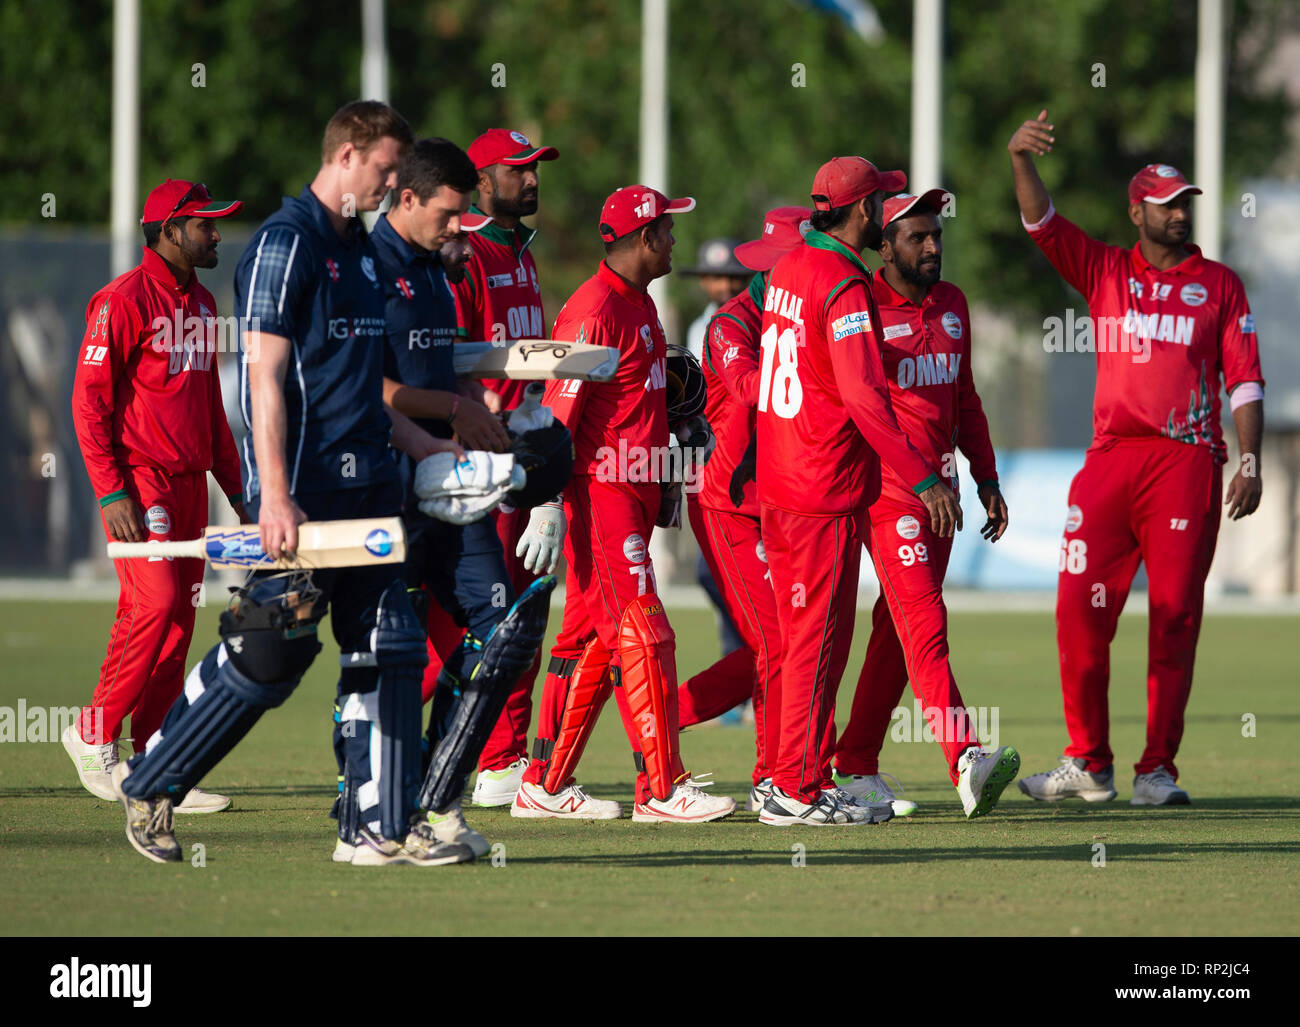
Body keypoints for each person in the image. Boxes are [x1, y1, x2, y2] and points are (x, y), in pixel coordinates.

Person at [108, 101, 470, 866]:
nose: (390, 183)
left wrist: (434, 451)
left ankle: (376, 828)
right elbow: (261, 379)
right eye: (383, 168)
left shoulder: (368, 255)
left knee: (393, 645)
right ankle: (151, 782)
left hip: (372, 489)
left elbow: (368, 388)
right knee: (272, 650)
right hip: (303, 496)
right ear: (346, 156)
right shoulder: (284, 242)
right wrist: (272, 492)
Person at [1008, 111, 1264, 806]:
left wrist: (1250, 458)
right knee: (1078, 609)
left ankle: (1157, 770)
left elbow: (1244, 378)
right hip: (1111, 460)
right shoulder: (1104, 270)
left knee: (1176, 613)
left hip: (1185, 462)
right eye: (1166, 206)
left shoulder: (1220, 285)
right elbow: (1042, 223)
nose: (1180, 215)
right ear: (1137, 212)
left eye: (1185, 205)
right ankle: (1088, 761)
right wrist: (1021, 159)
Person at [755, 157, 978, 827]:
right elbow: (863, 397)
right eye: (882, 198)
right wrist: (920, 475)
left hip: (782, 481)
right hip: (821, 486)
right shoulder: (844, 281)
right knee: (820, 644)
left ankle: (789, 777)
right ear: (862, 211)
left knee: (802, 641)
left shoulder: (790, 268)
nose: (889, 208)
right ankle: (797, 788)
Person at [512, 185, 735, 823]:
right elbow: (559, 415)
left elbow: (639, 406)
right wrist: (547, 502)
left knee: (590, 642)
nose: (673, 241)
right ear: (642, 238)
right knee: (645, 630)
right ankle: (661, 789)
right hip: (600, 495)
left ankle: (545, 784)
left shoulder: (639, 304)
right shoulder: (594, 309)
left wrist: (667, 468)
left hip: (632, 493)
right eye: (666, 231)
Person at [831, 190, 1019, 819]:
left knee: (896, 630)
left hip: (945, 495)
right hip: (889, 492)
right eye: (918, 237)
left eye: (937, 234)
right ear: (885, 249)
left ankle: (854, 761)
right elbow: (859, 403)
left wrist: (987, 476)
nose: (933, 246)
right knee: (925, 620)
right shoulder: (860, 307)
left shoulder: (954, 304)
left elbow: (964, 397)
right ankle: (966, 761)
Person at [67, 178, 246, 815]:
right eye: (205, 224)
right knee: (155, 601)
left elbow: (212, 414)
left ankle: (156, 758)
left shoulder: (202, 304)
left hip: (192, 483)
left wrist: (241, 492)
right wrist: (111, 489)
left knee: (180, 622)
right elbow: (88, 405)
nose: (216, 233)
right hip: (141, 482)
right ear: (169, 230)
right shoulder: (121, 300)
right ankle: (93, 733)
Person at [358, 136, 513, 861]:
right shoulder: (361, 269)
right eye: (450, 213)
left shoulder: (434, 271)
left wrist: (489, 414)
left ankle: (434, 794)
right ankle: (367, 805)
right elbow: (367, 385)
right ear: (408, 197)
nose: (460, 228)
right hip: (386, 478)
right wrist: (450, 411)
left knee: (502, 624)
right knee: (386, 642)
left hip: (451, 480)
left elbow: (443, 361)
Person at [435, 128, 563, 807]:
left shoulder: (520, 252)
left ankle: (501, 758)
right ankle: (483, 757)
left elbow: (530, 361)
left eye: (536, 168)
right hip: (486, 462)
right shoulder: (473, 253)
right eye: (519, 170)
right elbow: (463, 364)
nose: (533, 179)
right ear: (483, 181)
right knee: (485, 620)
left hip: (522, 452)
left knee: (522, 612)